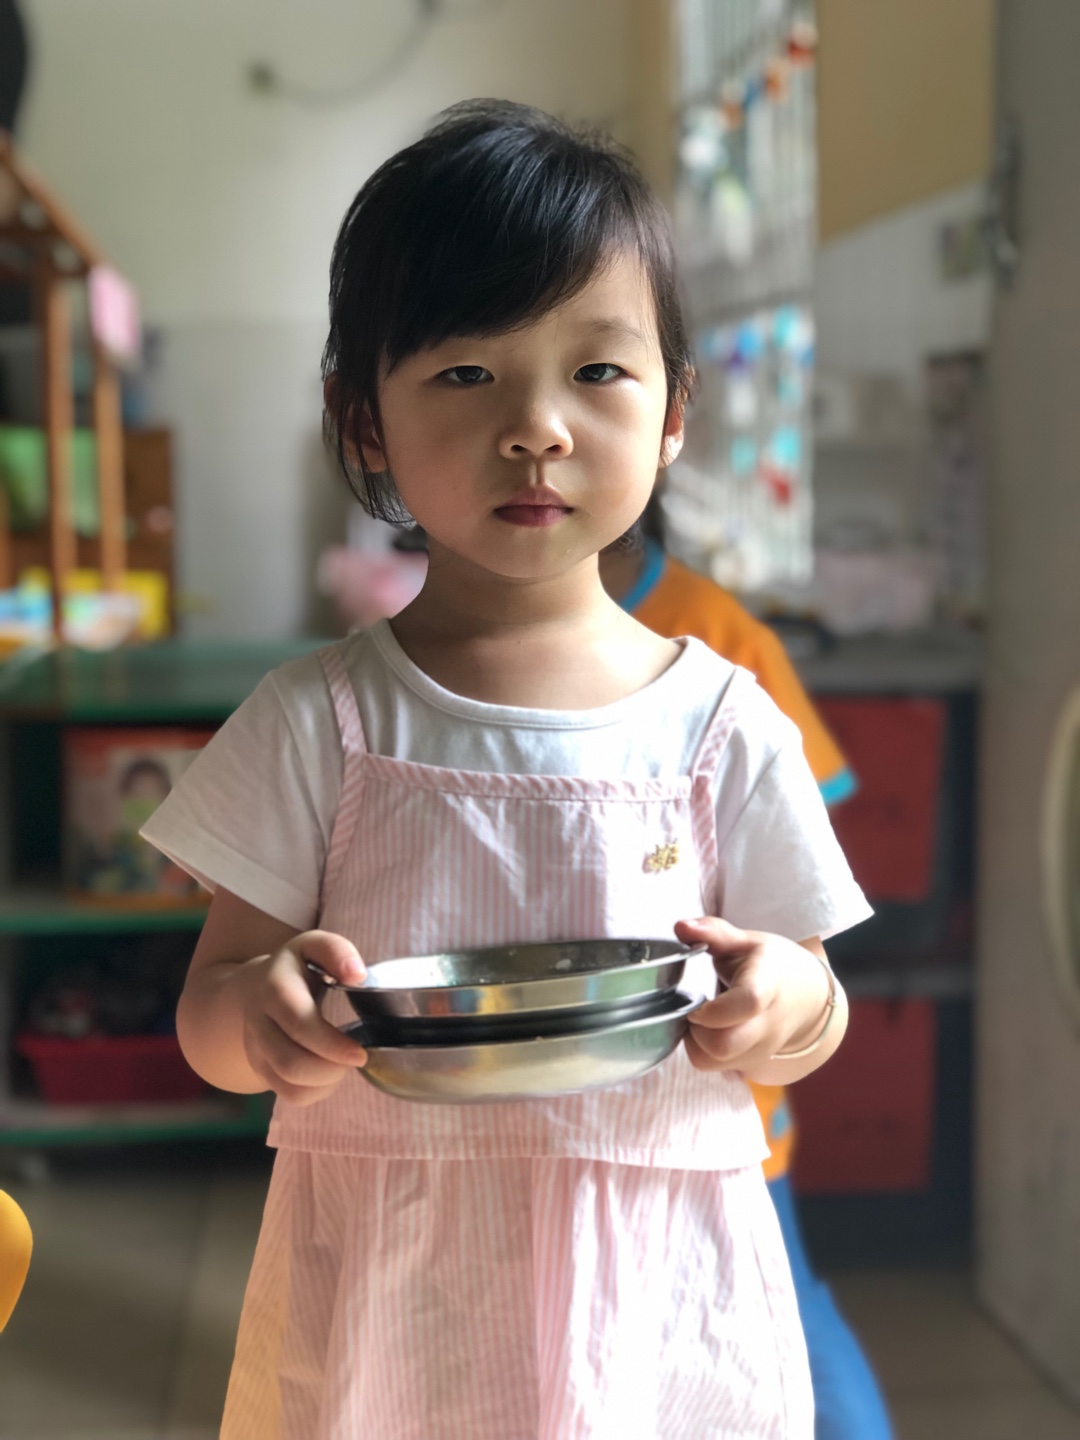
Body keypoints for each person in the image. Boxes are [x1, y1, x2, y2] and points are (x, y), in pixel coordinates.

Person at [142, 101, 871, 1439]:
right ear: (363, 419)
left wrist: (782, 1006)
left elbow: (816, 1005)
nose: (538, 427)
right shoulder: (321, 722)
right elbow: (210, 1017)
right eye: (469, 374)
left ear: (674, 414)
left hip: (659, 1313)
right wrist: (264, 1018)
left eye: (596, 371)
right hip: (395, 1307)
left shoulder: (724, 724)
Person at [601, 534, 894, 1440]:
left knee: (778, 1326)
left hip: (715, 1099)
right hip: (562, 1123)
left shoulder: (714, 639)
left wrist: (779, 988)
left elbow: (799, 844)